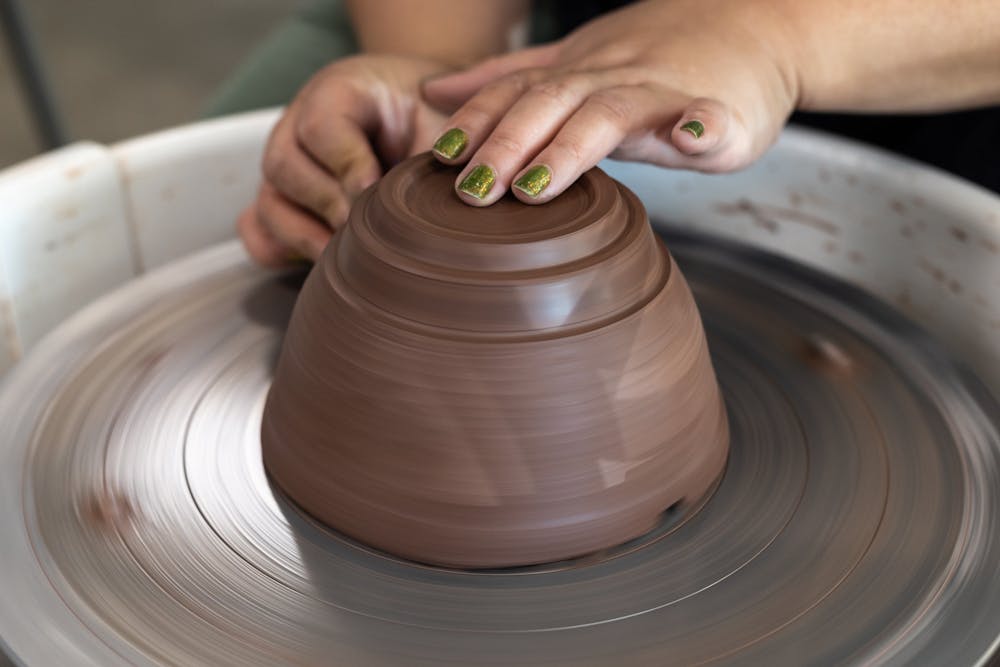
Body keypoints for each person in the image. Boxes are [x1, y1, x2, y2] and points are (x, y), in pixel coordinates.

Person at [230, 0, 1000, 266]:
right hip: (578, 48)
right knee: (288, 152)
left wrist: (774, 36)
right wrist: (448, 70)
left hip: (941, 58)